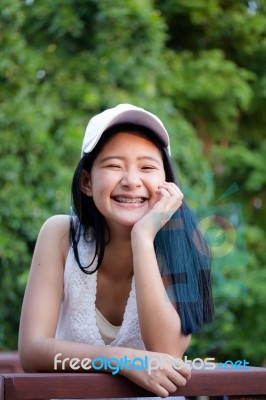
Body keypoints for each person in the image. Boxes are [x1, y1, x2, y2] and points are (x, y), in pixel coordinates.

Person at [18, 104, 214, 399]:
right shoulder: (59, 235)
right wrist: (122, 361)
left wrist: (143, 237)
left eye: (147, 167)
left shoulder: (183, 245)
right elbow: (32, 352)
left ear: (167, 183)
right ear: (86, 181)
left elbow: (167, 351)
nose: (132, 180)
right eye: (114, 165)